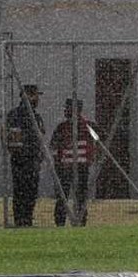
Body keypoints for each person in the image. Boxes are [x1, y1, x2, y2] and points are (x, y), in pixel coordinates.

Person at [49, 98, 97, 228]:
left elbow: (99, 140)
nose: (65, 111)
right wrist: (58, 163)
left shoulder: (88, 126)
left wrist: (93, 155)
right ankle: (61, 222)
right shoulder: (62, 127)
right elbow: (53, 146)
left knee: (79, 196)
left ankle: (80, 221)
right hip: (65, 168)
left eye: (67, 108)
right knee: (63, 196)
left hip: (81, 167)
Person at [3, 83, 44, 228]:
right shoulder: (17, 115)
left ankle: (25, 220)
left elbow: (40, 137)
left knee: (28, 192)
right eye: (35, 96)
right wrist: (24, 155)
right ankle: (22, 221)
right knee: (23, 191)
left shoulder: (35, 116)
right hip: (23, 160)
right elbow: (13, 139)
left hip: (30, 159)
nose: (38, 99)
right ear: (29, 96)